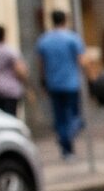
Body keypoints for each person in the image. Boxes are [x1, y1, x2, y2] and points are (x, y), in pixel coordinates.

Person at [33, 10, 88, 157]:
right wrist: (89, 78)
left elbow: (41, 65)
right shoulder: (72, 38)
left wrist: (43, 82)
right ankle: (68, 138)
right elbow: (81, 60)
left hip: (54, 84)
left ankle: (65, 146)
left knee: (60, 117)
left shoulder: (44, 40)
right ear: (65, 20)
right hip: (71, 84)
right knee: (73, 115)